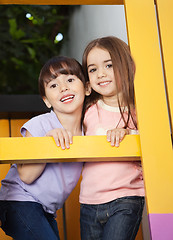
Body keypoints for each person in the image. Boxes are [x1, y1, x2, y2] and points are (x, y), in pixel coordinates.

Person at [0, 56, 90, 240]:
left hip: (46, 209)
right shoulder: (40, 124)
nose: (63, 87)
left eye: (70, 80)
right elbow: (27, 176)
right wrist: (46, 143)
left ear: (87, 88)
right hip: (18, 201)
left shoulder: (89, 129)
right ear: (46, 100)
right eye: (53, 85)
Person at [80, 36, 145, 240]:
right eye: (93, 69)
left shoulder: (139, 112)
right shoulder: (88, 110)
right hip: (89, 200)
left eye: (109, 65)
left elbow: (153, 143)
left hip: (126, 198)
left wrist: (127, 132)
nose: (101, 74)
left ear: (126, 66)